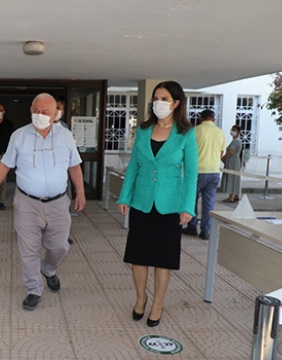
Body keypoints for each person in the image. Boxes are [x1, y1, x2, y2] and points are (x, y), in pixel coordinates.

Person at [0, 93, 85, 311]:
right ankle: (33, 289)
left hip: (58, 203)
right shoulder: (19, 136)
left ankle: (48, 269)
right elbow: (4, 164)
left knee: (60, 246)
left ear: (55, 114)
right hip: (26, 203)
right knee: (28, 250)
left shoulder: (65, 136)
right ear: (31, 110)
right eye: (36, 111)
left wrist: (80, 192)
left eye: (45, 112)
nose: (39, 115)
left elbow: (74, 166)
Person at [116, 80, 197, 327]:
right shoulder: (142, 130)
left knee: (163, 257)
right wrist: (124, 196)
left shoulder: (186, 134)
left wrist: (188, 207)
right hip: (142, 203)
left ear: (175, 103)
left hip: (169, 204)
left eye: (163, 99)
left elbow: (192, 173)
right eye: (156, 98)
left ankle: (158, 304)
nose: (158, 103)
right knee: (138, 255)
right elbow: (133, 168)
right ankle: (141, 298)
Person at [182, 110, 225, 240]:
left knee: (192, 199)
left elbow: (187, 151)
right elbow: (221, 153)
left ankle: (192, 226)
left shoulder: (195, 131)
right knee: (209, 202)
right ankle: (205, 230)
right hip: (214, 172)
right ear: (213, 119)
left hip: (197, 171)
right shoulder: (220, 132)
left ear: (200, 118)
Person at [55, 99, 75, 245]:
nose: (57, 111)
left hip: (62, 175)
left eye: (59, 108)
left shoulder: (65, 129)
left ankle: (63, 235)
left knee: (63, 207)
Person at [221, 124, 243, 203]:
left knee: (231, 178)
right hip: (233, 161)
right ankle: (236, 195)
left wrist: (224, 157)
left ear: (238, 132)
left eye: (234, 130)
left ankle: (231, 197)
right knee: (235, 178)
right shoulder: (235, 141)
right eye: (232, 130)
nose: (232, 132)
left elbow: (231, 151)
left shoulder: (236, 141)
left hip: (233, 162)